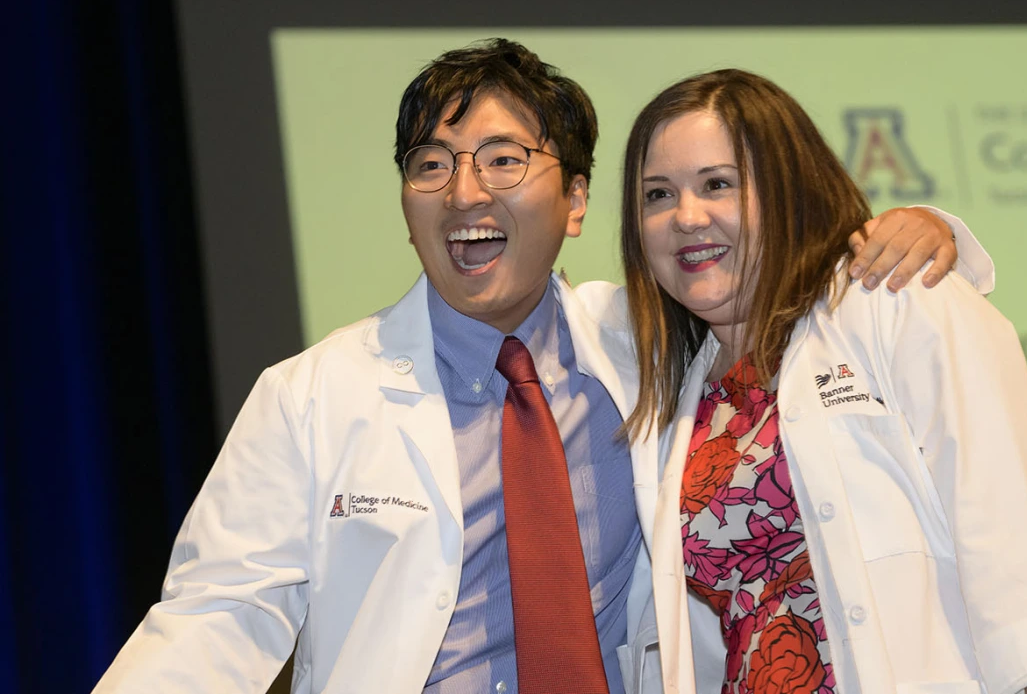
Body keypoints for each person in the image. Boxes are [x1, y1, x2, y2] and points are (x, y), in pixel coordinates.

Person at [93, 41, 974, 694]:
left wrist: (926, 229)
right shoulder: (311, 394)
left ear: (579, 198)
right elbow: (215, 615)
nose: (464, 194)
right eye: (429, 165)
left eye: (504, 160)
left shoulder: (653, 342)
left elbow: (787, 285)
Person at [619, 69, 1027, 694]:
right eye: (657, 195)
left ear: (788, 192)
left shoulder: (895, 299)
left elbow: (1012, 532)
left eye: (718, 185)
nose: (687, 217)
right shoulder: (675, 390)